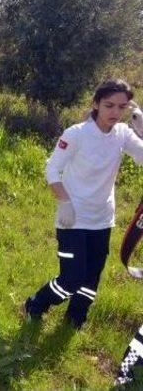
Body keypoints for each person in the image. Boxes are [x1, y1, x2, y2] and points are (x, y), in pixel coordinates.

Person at [24, 79, 143, 330]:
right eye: (109, 105)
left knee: (90, 280)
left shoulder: (122, 134)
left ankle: (75, 321)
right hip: (73, 219)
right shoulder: (76, 134)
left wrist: (142, 129)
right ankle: (35, 304)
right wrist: (64, 202)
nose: (115, 112)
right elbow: (52, 170)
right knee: (71, 279)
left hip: (102, 220)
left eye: (121, 107)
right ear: (96, 104)